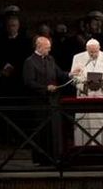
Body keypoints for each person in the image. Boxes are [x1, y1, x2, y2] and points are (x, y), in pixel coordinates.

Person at [22, 36, 78, 164]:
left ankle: (54, 157)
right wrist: (46, 88)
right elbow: (29, 82)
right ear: (39, 47)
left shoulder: (50, 59)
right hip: (39, 102)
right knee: (41, 131)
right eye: (47, 47)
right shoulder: (29, 62)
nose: (49, 50)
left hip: (53, 101)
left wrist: (71, 74)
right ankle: (41, 159)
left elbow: (59, 74)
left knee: (54, 130)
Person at [69, 39, 103, 146]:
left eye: (95, 51)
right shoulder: (77, 58)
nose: (93, 54)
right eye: (90, 52)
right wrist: (85, 85)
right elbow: (74, 78)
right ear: (86, 49)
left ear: (99, 48)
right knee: (85, 128)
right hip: (85, 96)